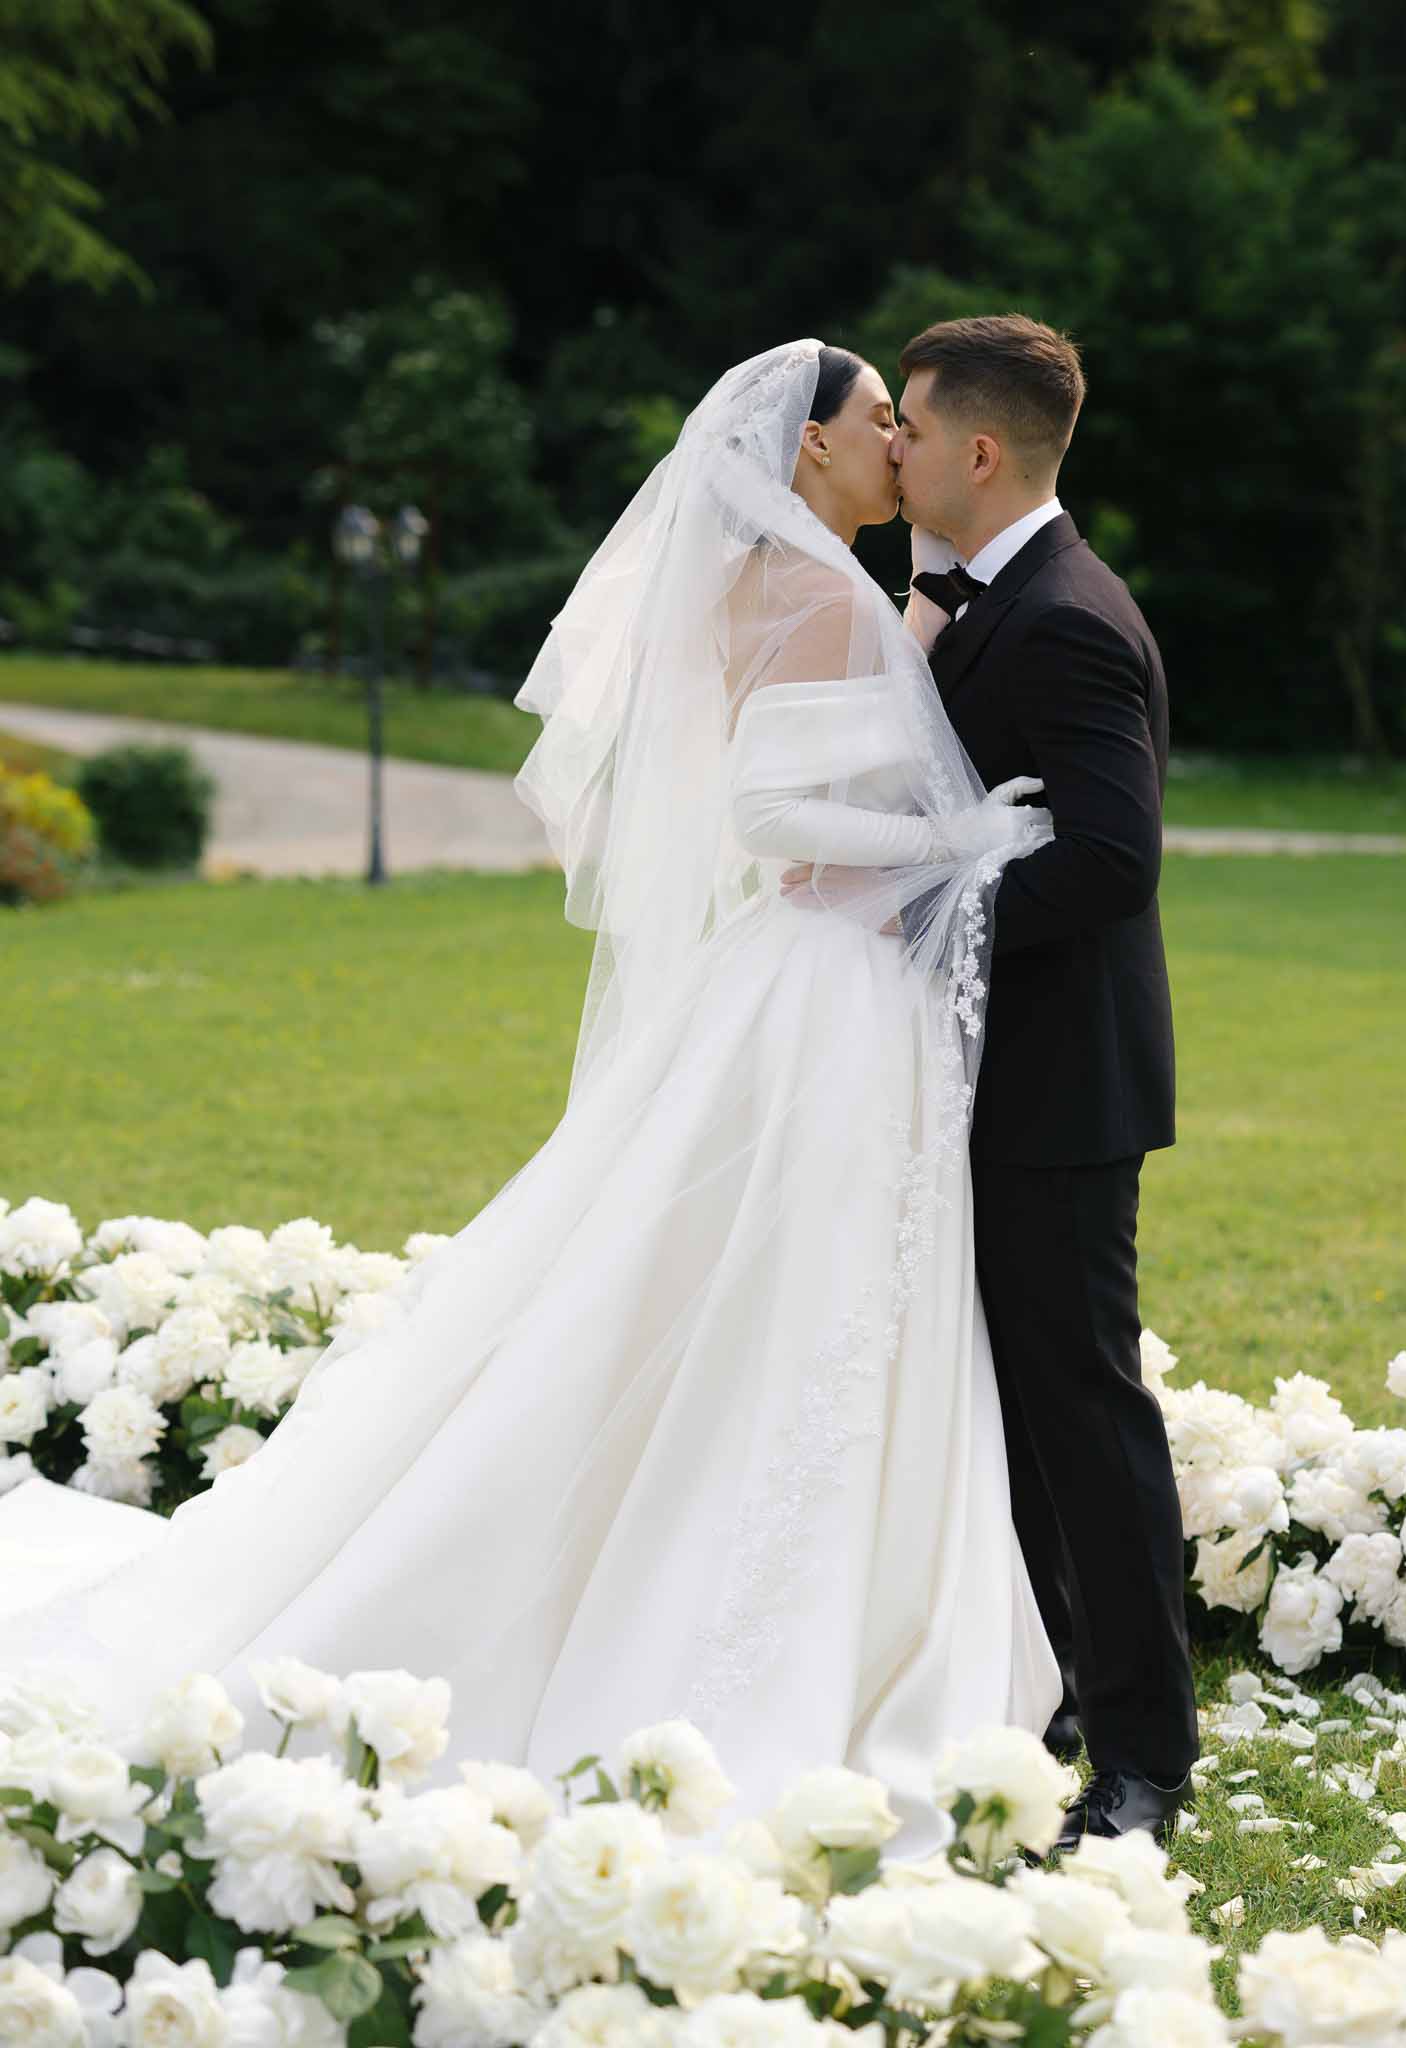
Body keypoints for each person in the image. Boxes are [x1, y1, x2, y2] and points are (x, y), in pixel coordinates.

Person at [0, 341, 1061, 1854]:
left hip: (799, 979)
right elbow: (770, 813)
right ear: (808, 449)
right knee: (803, 1283)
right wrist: (959, 841)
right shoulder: (819, 592)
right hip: (822, 991)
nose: (898, 441)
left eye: (906, 421)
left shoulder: (786, 583)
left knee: (725, 1278)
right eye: (876, 419)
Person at [890, 314, 1198, 1846]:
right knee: (1017, 1410)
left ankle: (1144, 1760)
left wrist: (908, 910)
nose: (897, 451)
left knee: (1082, 1410)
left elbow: (1107, 861)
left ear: (981, 452)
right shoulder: (974, 605)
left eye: (916, 428)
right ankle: (1063, 1683)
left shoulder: (1067, 615)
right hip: (986, 1082)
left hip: (1057, 1094)